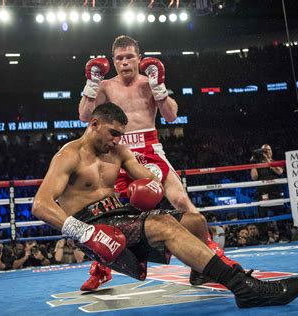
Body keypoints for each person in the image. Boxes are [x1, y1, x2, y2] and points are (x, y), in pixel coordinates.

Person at [32, 103, 298, 308]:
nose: (117, 140)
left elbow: (151, 181)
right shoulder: (69, 155)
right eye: (113, 133)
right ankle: (243, 287)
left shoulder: (119, 151)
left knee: (195, 221)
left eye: (121, 135)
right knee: (164, 225)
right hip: (92, 225)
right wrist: (83, 232)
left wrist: (150, 185)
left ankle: (200, 273)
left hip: (121, 215)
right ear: (93, 124)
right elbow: (40, 205)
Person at [78, 34, 224, 290]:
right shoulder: (106, 86)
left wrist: (159, 88)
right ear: (113, 61)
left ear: (139, 58)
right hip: (118, 150)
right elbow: (83, 117)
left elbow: (171, 116)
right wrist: (91, 84)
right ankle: (101, 269)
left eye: (129, 57)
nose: (124, 62)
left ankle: (210, 256)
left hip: (150, 145)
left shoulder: (150, 82)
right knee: (108, 209)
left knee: (180, 199)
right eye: (120, 58)